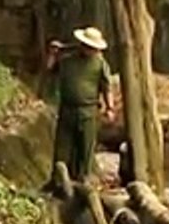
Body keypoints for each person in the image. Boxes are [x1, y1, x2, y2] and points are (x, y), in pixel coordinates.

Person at [46, 26, 116, 188]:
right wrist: (52, 54)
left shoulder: (100, 64)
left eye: (93, 48)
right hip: (67, 109)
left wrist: (110, 108)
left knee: (86, 148)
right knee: (62, 147)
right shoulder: (67, 60)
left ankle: (84, 180)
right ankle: (58, 180)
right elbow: (50, 69)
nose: (91, 50)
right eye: (88, 46)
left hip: (88, 110)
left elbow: (106, 87)